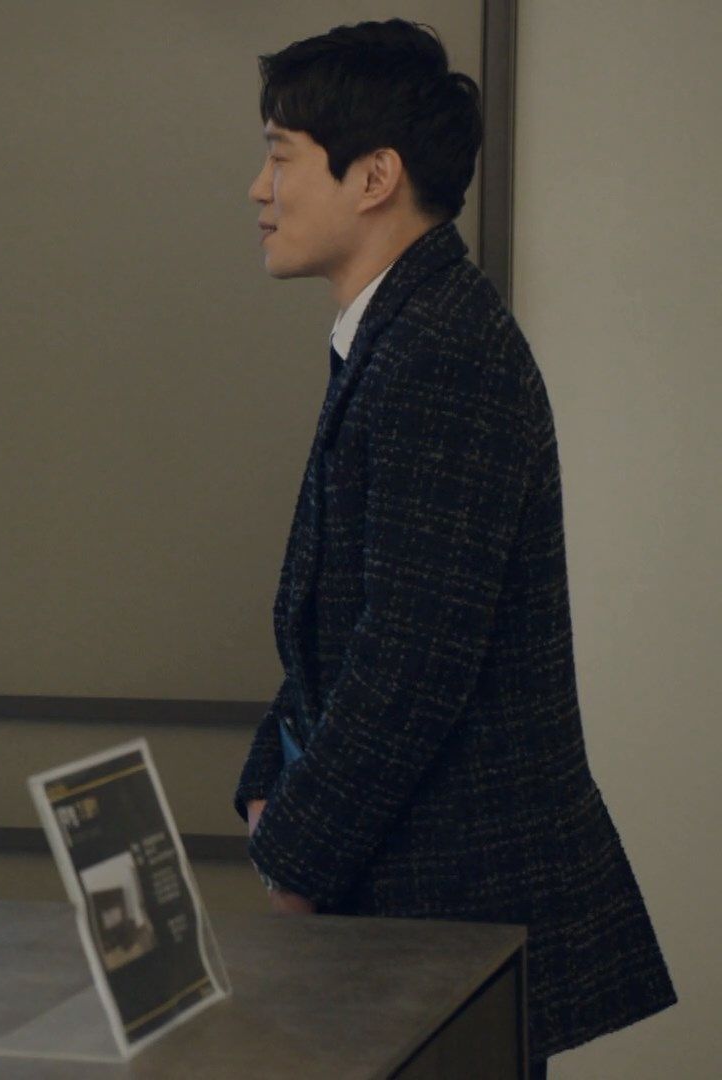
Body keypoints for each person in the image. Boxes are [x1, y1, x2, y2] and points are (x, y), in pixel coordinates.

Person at [233, 20, 674, 1069]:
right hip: (423, 900)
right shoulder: (406, 330)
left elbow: (413, 660)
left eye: (281, 157)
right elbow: (350, 627)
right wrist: (269, 778)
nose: (259, 190)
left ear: (374, 177)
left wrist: (295, 855)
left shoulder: (438, 351)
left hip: (449, 906)